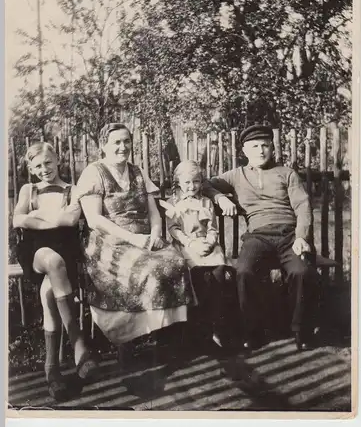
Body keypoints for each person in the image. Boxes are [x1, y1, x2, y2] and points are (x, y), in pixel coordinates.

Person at [202, 124, 320, 352]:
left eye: (265, 145)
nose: (261, 150)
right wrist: (220, 198)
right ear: (244, 151)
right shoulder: (236, 175)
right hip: (257, 237)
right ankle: (253, 331)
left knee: (301, 271)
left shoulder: (287, 174)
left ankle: (301, 331)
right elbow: (205, 183)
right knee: (244, 271)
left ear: (272, 148)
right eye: (255, 146)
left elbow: (302, 207)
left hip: (289, 235)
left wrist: (301, 237)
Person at [76, 123, 191, 354]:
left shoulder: (137, 172)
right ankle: (127, 338)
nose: (122, 147)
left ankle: (166, 338)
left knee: (177, 263)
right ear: (103, 146)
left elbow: (153, 212)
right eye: (116, 142)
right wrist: (133, 239)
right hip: (108, 241)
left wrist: (156, 235)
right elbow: (94, 220)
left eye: (126, 141)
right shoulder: (94, 172)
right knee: (147, 269)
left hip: (144, 237)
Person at [13, 142, 98, 401]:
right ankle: (78, 344)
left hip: (67, 252)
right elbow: (18, 219)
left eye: (48, 162)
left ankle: (52, 372)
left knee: (49, 292)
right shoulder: (29, 189)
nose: (44, 169)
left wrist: (38, 219)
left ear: (57, 159)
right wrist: (53, 219)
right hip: (36, 251)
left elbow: (71, 220)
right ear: (30, 168)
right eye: (37, 165)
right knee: (52, 261)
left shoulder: (72, 190)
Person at [161, 160, 237, 351]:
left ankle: (217, 326)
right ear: (178, 182)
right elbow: (174, 229)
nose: (191, 187)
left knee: (218, 274)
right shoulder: (173, 203)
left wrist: (210, 242)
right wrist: (191, 243)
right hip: (186, 245)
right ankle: (199, 330)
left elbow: (212, 228)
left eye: (195, 182)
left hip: (206, 243)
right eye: (186, 182)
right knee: (198, 277)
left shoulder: (206, 202)